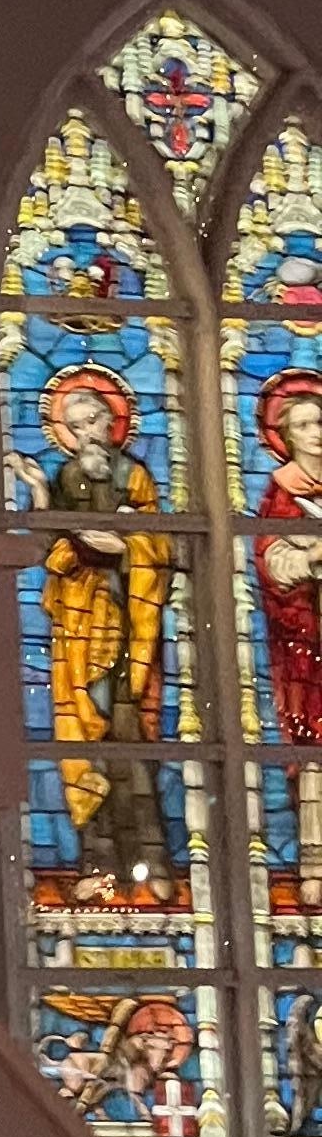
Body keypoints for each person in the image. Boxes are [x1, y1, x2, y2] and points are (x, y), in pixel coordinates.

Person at [10, 368, 174, 884]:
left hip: (129, 629)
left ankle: (151, 863)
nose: (86, 435)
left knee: (133, 744)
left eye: (93, 422)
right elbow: (49, 548)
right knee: (80, 744)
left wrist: (126, 546)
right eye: (75, 427)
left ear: (112, 421)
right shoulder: (63, 478)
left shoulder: (137, 476)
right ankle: (97, 863)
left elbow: (160, 547)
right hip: (78, 631)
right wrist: (41, 496)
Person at [253, 370, 322, 885]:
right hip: (306, 637)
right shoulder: (281, 492)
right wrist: (312, 554)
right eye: (303, 425)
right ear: (286, 436)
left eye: (320, 421)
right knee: (315, 743)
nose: (316, 432)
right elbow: (271, 559)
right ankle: (316, 866)